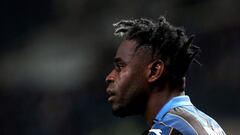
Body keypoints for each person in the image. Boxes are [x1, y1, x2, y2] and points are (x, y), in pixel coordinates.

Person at [105, 16, 226, 135]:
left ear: (154, 71)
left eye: (120, 67)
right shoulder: (210, 125)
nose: (109, 77)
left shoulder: (170, 130)